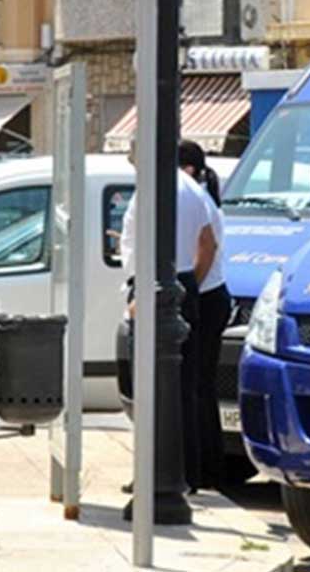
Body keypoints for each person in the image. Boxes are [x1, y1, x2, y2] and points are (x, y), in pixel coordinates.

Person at [119, 145, 219, 492]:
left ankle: (157, 475)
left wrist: (141, 297)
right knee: (183, 390)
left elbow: (139, 247)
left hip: (153, 284)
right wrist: (190, 287)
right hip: (182, 282)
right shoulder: (191, 188)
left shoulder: (154, 190)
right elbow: (208, 243)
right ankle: (186, 473)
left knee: (150, 390)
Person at [178, 140, 233, 488]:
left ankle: (205, 468)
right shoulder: (197, 197)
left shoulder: (198, 200)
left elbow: (206, 250)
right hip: (207, 295)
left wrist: (188, 290)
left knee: (196, 387)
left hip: (208, 298)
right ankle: (205, 467)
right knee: (198, 386)